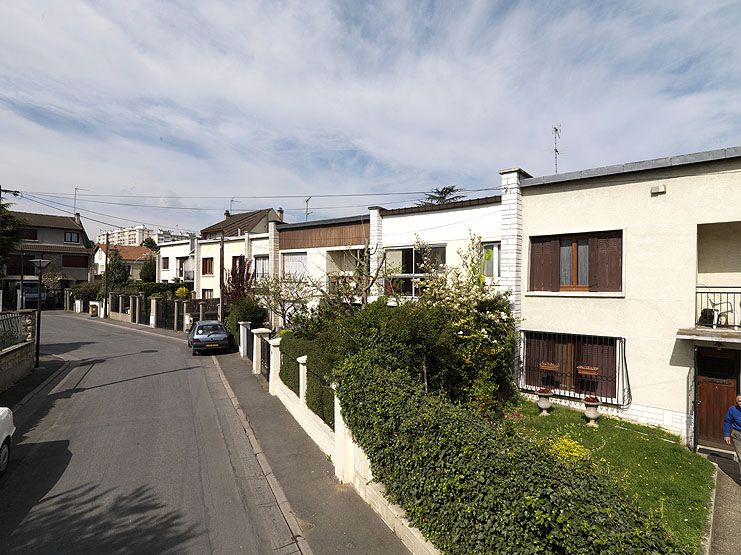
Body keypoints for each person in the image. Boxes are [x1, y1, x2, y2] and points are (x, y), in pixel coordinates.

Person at [723, 394, 741, 473]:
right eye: (739, 401)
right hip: (737, 434)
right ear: (737, 402)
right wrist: (726, 435)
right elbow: (727, 421)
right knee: (740, 457)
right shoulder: (732, 410)